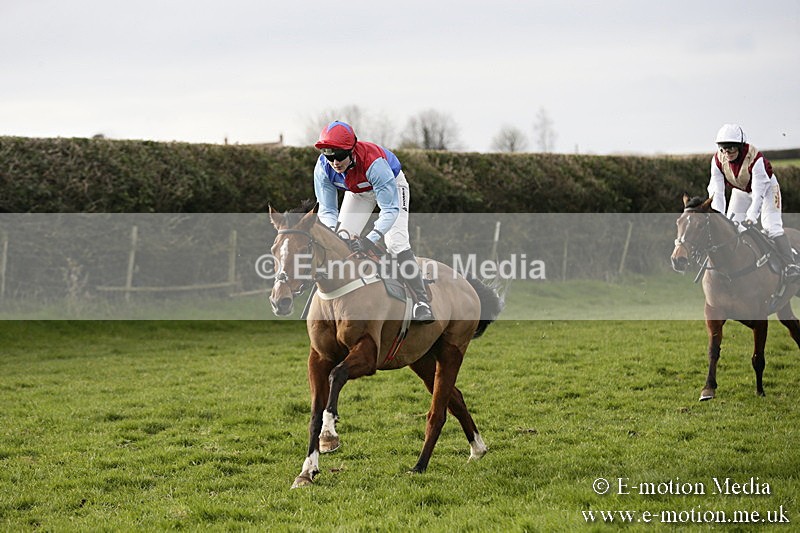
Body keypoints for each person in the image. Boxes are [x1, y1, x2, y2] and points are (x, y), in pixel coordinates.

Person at [312, 120, 435, 323]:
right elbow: (327, 210)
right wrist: (332, 236)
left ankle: (422, 302)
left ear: (351, 150)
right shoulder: (323, 168)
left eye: (339, 155)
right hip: (358, 192)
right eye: (329, 155)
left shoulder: (374, 164)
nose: (334, 162)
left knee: (396, 242)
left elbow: (390, 210)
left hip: (392, 187)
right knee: (340, 240)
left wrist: (369, 240)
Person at [708, 123, 800, 279]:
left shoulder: (755, 158)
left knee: (771, 226)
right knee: (731, 227)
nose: (727, 153)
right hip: (741, 191)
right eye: (723, 149)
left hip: (767, 189)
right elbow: (717, 192)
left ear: (740, 146)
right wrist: (718, 215)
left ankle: (790, 265)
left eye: (731, 148)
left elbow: (758, 193)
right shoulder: (717, 160)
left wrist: (751, 217)